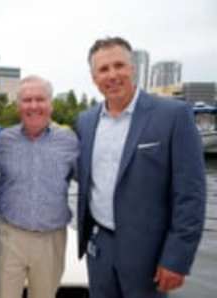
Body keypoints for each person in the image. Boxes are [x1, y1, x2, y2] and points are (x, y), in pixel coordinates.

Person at [76, 37, 206, 298]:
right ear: (93, 78)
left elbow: (190, 195)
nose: (112, 75)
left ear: (132, 68)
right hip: (98, 249)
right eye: (103, 69)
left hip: (150, 255)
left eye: (119, 65)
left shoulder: (174, 115)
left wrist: (177, 258)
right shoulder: (86, 121)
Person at [0, 75, 79, 298]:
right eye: (27, 100)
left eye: (40, 99)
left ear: (50, 103)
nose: (33, 106)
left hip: (51, 238)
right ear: (18, 105)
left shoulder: (70, 141)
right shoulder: (2, 140)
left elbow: (89, 182)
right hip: (10, 235)